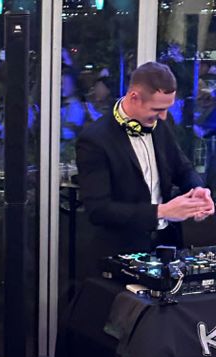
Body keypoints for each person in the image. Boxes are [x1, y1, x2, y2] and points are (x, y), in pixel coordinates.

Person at [76, 62, 215, 264]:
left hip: (167, 244)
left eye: (167, 108)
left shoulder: (162, 122)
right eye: (157, 109)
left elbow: (182, 168)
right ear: (134, 97)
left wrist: (198, 190)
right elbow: (99, 210)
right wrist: (162, 211)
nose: (163, 116)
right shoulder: (95, 139)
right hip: (121, 252)